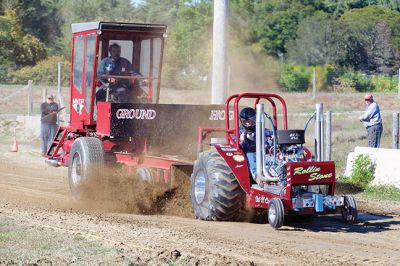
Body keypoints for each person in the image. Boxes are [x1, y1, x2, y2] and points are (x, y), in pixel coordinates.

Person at [239, 107, 273, 185]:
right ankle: (258, 178)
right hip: (249, 153)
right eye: (245, 121)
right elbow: (234, 142)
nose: (248, 123)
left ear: (254, 119)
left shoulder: (261, 129)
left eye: (250, 120)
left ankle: (274, 173)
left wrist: (273, 137)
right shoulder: (240, 131)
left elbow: (270, 134)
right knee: (251, 156)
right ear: (242, 121)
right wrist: (241, 141)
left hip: (264, 152)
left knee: (274, 156)